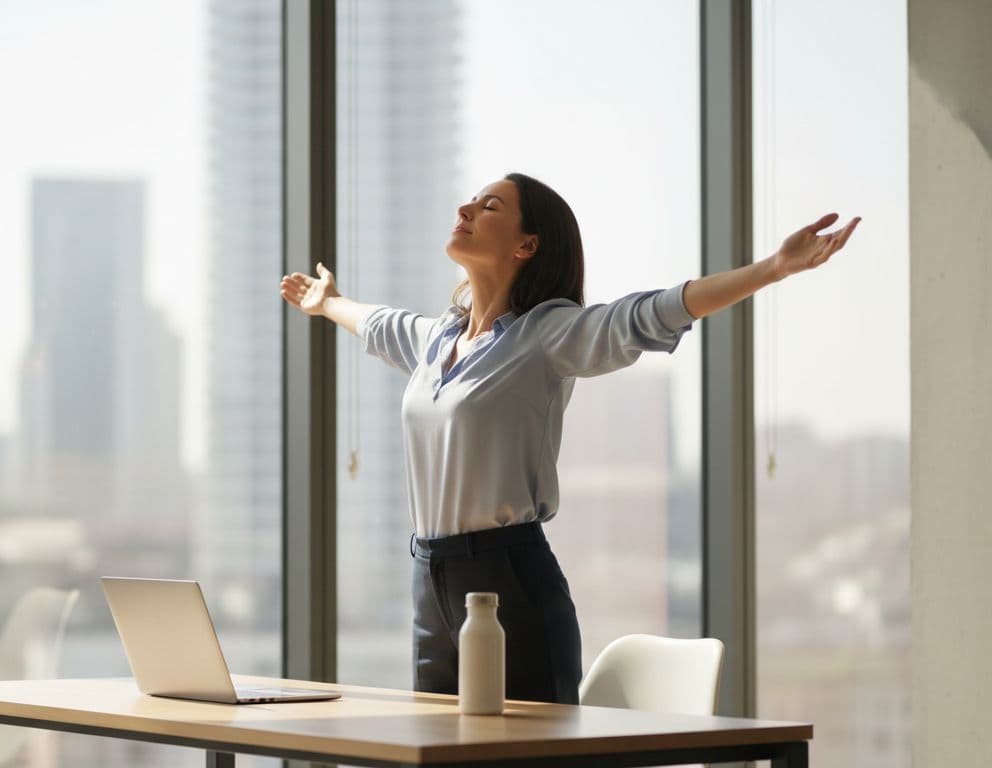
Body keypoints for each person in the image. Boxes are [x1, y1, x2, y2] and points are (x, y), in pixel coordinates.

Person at [279, 171, 860, 704]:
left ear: (525, 245)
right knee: (436, 751)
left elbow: (651, 313)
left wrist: (772, 269)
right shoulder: (435, 341)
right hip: (429, 578)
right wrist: (327, 302)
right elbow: (377, 323)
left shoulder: (546, 335)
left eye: (489, 206)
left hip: (509, 580)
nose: (466, 208)